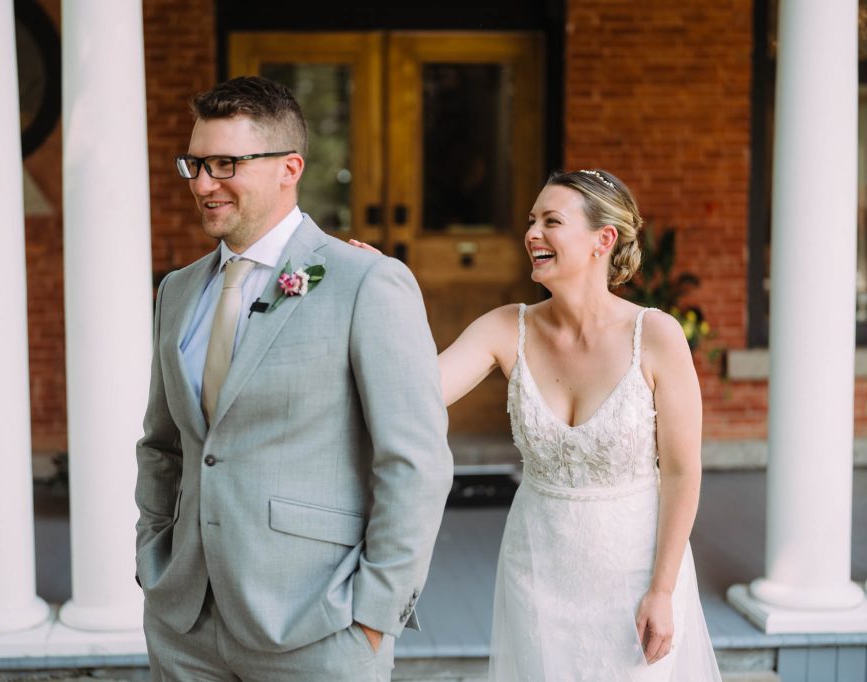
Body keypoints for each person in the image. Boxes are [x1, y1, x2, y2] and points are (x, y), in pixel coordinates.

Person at [134, 76, 453, 682]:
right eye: (195, 163)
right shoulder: (176, 292)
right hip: (184, 627)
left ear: (289, 168)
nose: (204, 183)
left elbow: (414, 462)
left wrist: (374, 616)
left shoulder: (366, 283)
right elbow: (163, 445)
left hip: (318, 626)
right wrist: (153, 560)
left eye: (226, 163)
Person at [354, 169, 721, 680]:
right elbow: (419, 393)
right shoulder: (507, 327)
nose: (532, 234)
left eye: (551, 221)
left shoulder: (654, 335)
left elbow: (683, 471)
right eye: (531, 221)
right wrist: (392, 296)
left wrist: (662, 589)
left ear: (603, 240)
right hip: (538, 568)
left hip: (636, 571)